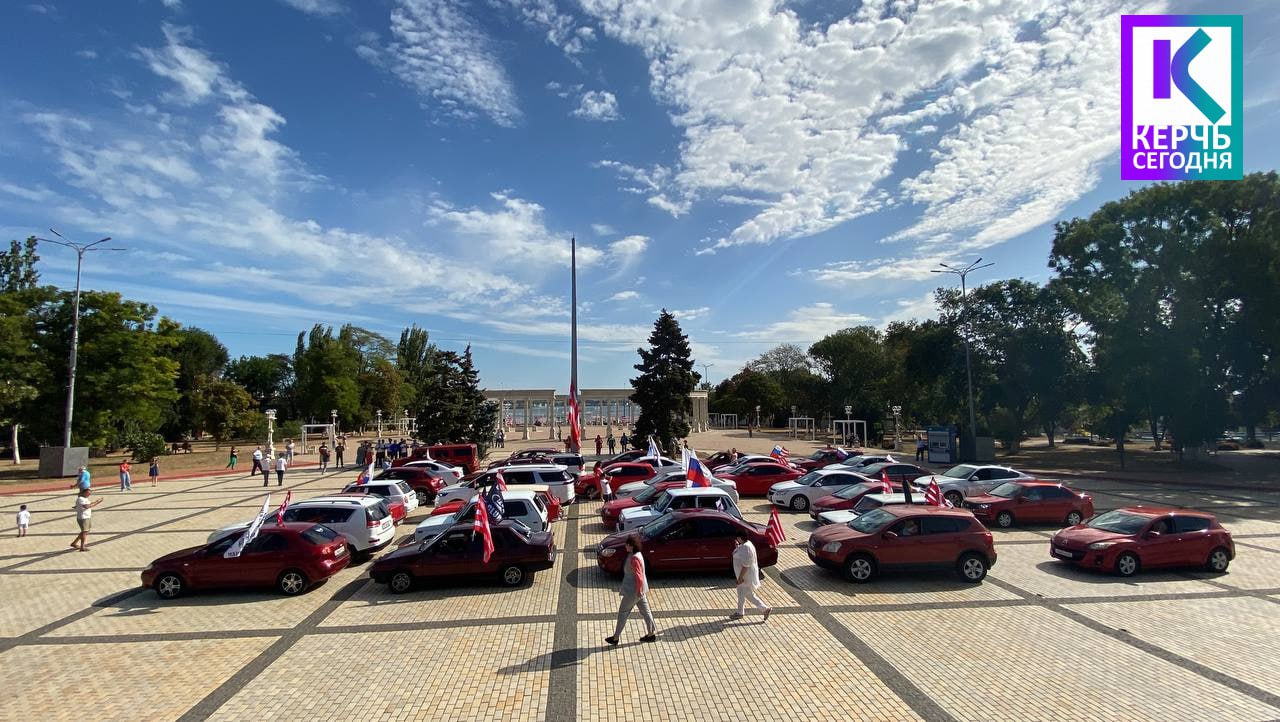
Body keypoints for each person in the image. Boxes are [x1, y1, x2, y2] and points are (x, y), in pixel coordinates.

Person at [605, 535, 657, 645]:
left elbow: (639, 576)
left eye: (627, 545)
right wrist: (641, 590)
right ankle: (651, 634)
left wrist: (638, 591)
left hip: (633, 591)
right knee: (646, 611)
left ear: (631, 546)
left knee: (623, 612)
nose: (625, 546)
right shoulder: (638, 554)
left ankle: (615, 637)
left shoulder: (634, 558)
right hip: (641, 590)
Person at [730, 531, 771, 621]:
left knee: (744, 594)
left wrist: (740, 578)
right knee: (745, 594)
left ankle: (741, 612)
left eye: (737, 538)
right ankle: (763, 609)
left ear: (740, 538)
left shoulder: (746, 548)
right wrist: (737, 547)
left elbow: (746, 565)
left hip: (746, 577)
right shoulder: (745, 545)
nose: (736, 539)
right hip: (743, 576)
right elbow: (740, 554)